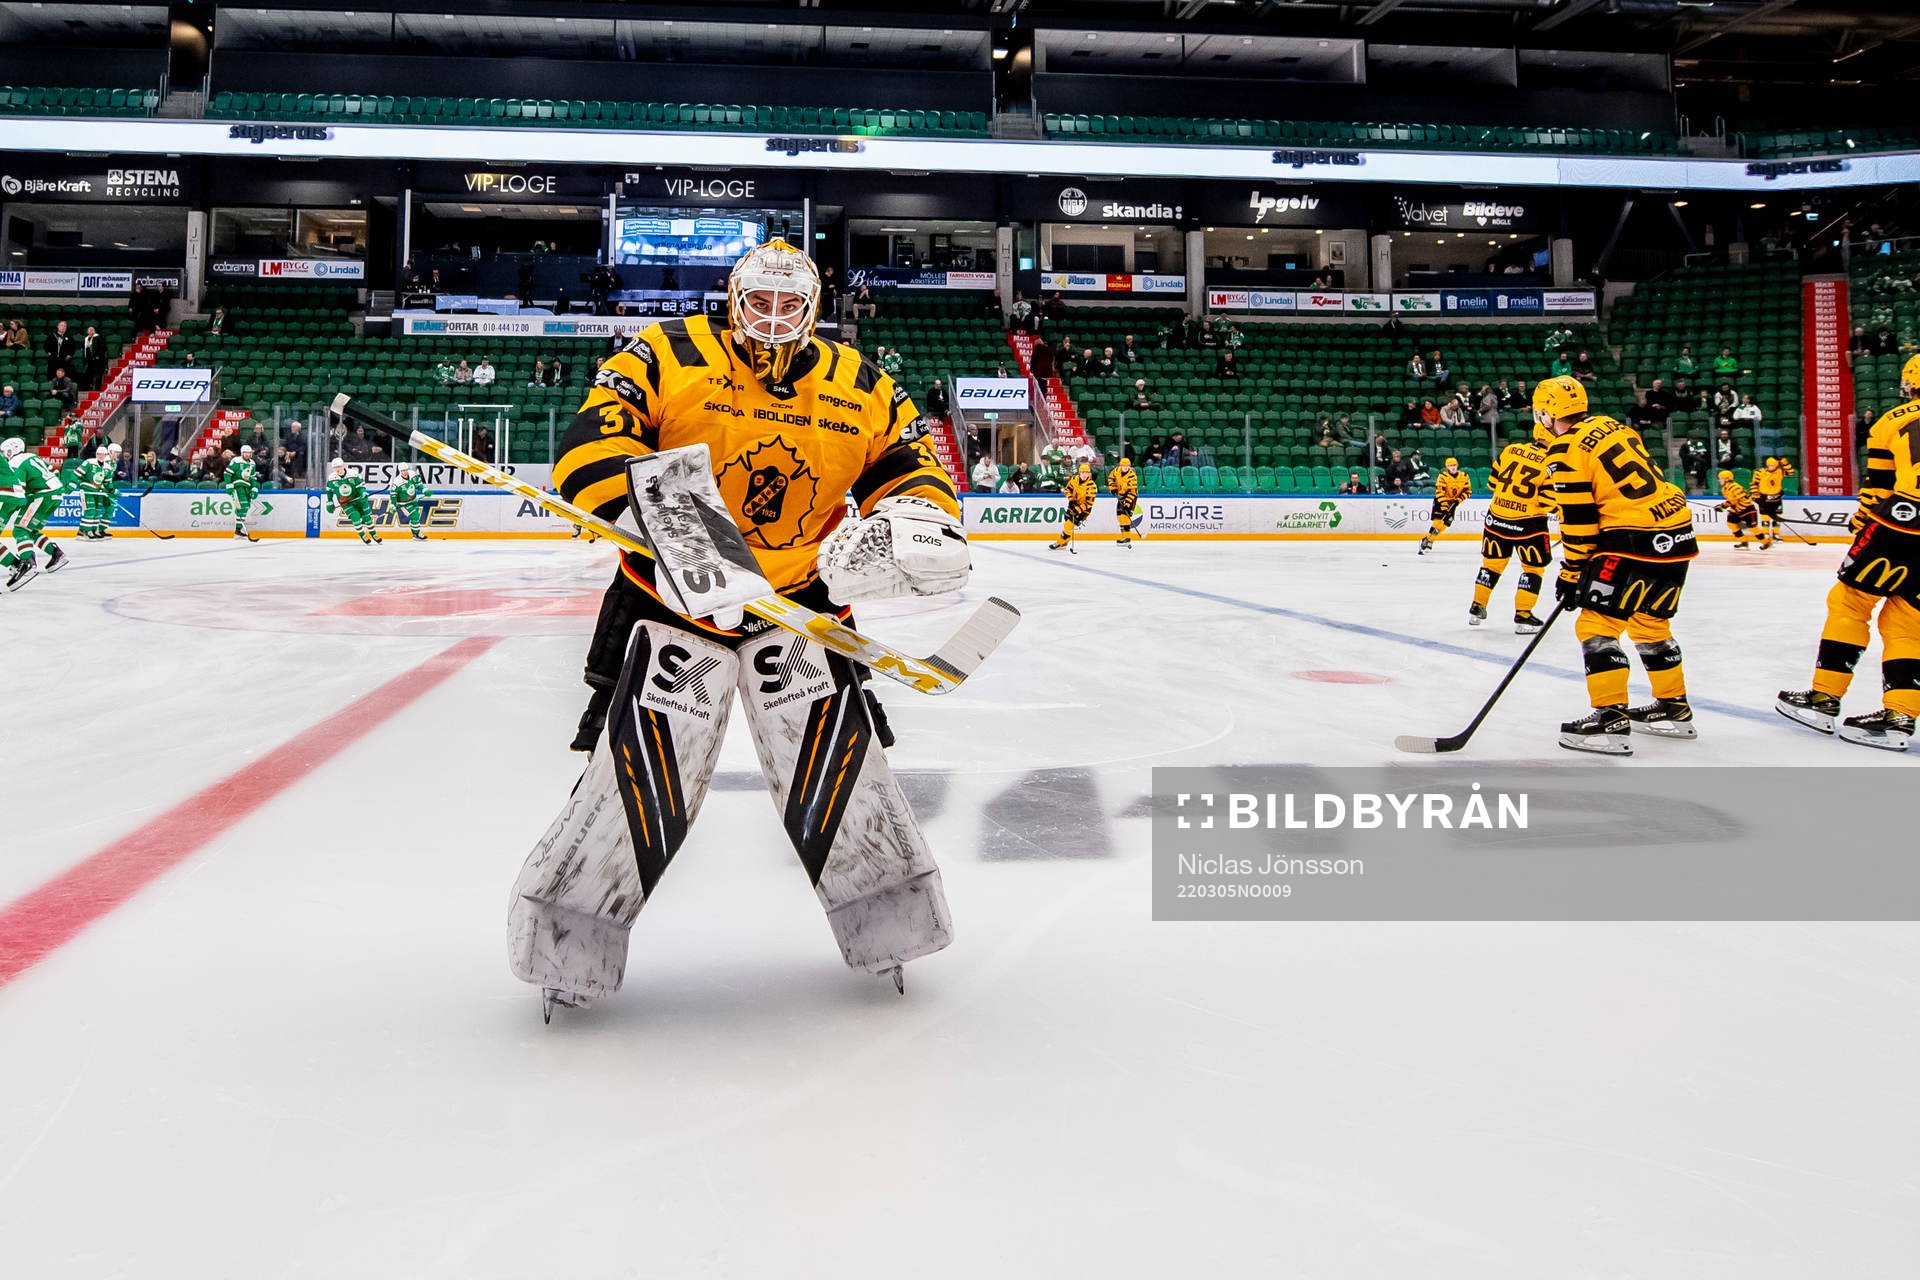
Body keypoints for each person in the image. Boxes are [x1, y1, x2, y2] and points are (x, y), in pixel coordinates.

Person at [524, 237, 964, 1015]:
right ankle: (569, 939)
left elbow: (912, 467)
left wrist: (913, 523)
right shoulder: (666, 351)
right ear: (733, 299)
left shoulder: (861, 383)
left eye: (790, 304)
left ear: (815, 309)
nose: (772, 316)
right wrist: (685, 543)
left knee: (843, 775)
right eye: (759, 301)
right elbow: (591, 444)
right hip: (671, 603)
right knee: (634, 781)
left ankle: (890, 923)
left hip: (797, 605)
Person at [1536, 374, 1699, 753]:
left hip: (1632, 538)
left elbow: (1579, 521)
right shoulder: (1614, 426)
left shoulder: (1563, 449)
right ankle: (1674, 707)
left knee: (1596, 625)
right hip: (1677, 533)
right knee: (1649, 621)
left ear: (1547, 413)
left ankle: (1610, 718)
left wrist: (1571, 573)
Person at [1777, 356, 1920, 750]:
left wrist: (1861, 524)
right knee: (1908, 623)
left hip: (1903, 521)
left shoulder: (1891, 420)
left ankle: (1824, 698)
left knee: (1850, 603)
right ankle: (1900, 717)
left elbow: (1879, 488)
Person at [1471, 427, 1555, 632]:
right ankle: (1523, 615)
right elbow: (1547, 503)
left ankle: (1477, 606)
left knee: (1491, 565)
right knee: (1533, 569)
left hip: (1496, 519)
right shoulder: (1551, 464)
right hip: (1528, 525)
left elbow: (1492, 484)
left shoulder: (1510, 450)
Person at [0, 436, 69, 589]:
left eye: (6, 452)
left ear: (12, 450)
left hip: (40, 496)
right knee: (30, 530)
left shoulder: (15, 462)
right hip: (56, 494)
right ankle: (56, 553)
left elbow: (17, 489)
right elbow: (54, 471)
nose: (5, 455)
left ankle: (27, 563)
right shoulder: (33, 456)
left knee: (20, 530)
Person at [1419, 457, 1471, 555]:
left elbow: (1468, 491)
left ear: (1457, 465)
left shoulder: (1464, 476)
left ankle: (1428, 539)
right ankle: (1428, 540)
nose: (1453, 467)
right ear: (1447, 467)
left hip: (1453, 503)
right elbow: (1439, 492)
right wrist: (1444, 507)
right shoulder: (1443, 476)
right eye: (1450, 466)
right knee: (1438, 522)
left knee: (1446, 524)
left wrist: (1457, 501)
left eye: (1454, 465)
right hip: (1441, 501)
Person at [324, 458, 380, 545]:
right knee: (355, 516)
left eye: (339, 466)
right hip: (345, 502)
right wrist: (329, 502)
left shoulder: (353, 474)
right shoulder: (331, 478)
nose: (337, 469)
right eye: (335, 467)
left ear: (343, 466)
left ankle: (374, 534)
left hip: (359, 499)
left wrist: (363, 492)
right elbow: (329, 491)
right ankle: (363, 536)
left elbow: (361, 486)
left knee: (367, 517)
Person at [1051, 459, 1098, 553]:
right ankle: (1064, 543)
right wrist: (1071, 500)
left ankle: (1060, 542)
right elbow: (1067, 490)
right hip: (1073, 504)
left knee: (1069, 525)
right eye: (1082, 472)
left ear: (1089, 474)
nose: (1084, 474)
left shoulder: (1092, 486)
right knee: (1067, 522)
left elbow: (1089, 504)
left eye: (1086, 473)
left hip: (1084, 510)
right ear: (1079, 473)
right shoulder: (1074, 479)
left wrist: (1078, 510)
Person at [75, 444, 117, 541]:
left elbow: (107, 482)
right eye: (98, 454)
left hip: (98, 492)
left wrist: (112, 490)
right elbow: (77, 474)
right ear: (96, 454)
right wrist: (72, 485)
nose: (100, 456)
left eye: (103, 454)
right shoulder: (89, 462)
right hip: (87, 491)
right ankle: (84, 531)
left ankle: (93, 530)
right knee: (90, 511)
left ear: (105, 455)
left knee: (97, 511)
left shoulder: (107, 467)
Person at [1749, 455, 1793, 548]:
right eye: (1769, 465)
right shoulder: (1759, 472)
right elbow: (1753, 484)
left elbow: (1791, 472)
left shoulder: (1780, 471)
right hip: (1764, 498)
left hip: (1776, 497)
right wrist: (1755, 495)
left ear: (1776, 465)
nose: (1770, 467)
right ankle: (1766, 534)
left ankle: (1776, 534)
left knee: (1777, 516)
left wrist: (1785, 463)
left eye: (1772, 465)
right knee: (1765, 516)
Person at [1715, 468, 1762, 550]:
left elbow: (1739, 500)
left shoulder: (1735, 487)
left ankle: (1766, 542)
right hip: (1737, 510)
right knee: (1731, 524)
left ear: (1727, 479)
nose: (1719, 480)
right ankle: (1744, 542)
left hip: (1747, 509)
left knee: (1753, 528)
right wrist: (1722, 506)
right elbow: (1731, 500)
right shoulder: (1725, 488)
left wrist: (1724, 507)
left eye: (1721, 478)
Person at [224, 443, 261, 538]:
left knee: (246, 507)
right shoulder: (236, 461)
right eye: (246, 453)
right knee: (242, 506)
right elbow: (227, 473)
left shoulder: (252, 463)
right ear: (242, 453)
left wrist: (254, 488)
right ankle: (238, 530)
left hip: (247, 487)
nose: (248, 454)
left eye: (249, 453)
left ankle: (238, 530)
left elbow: (252, 477)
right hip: (237, 486)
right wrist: (229, 485)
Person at [389, 464, 434, 541]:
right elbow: (393, 494)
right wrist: (393, 504)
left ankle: (415, 534)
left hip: (414, 500)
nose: (405, 472)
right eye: (403, 471)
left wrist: (424, 489)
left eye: (406, 470)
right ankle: (417, 534)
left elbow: (418, 485)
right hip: (404, 504)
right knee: (414, 516)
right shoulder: (397, 481)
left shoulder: (413, 474)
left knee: (416, 517)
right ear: (400, 471)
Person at [1107, 456, 1141, 547]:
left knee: (1125, 516)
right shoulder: (1116, 471)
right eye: (1123, 466)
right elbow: (1110, 478)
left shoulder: (1132, 476)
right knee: (1120, 516)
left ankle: (1127, 538)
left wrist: (1127, 503)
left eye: (1127, 466)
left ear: (1129, 467)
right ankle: (1124, 537)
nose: (1125, 467)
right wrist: (1114, 489)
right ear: (1120, 466)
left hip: (1131, 497)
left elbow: (1132, 492)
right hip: (1121, 495)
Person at [80, 325, 107, 391]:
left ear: (95, 331)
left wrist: (98, 356)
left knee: (98, 374)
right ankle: (88, 387)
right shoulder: (86, 339)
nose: (91, 331)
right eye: (89, 329)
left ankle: (97, 388)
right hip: (89, 360)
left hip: (97, 360)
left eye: (92, 329)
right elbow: (84, 350)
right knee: (88, 374)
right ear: (87, 331)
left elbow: (102, 348)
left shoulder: (99, 337)